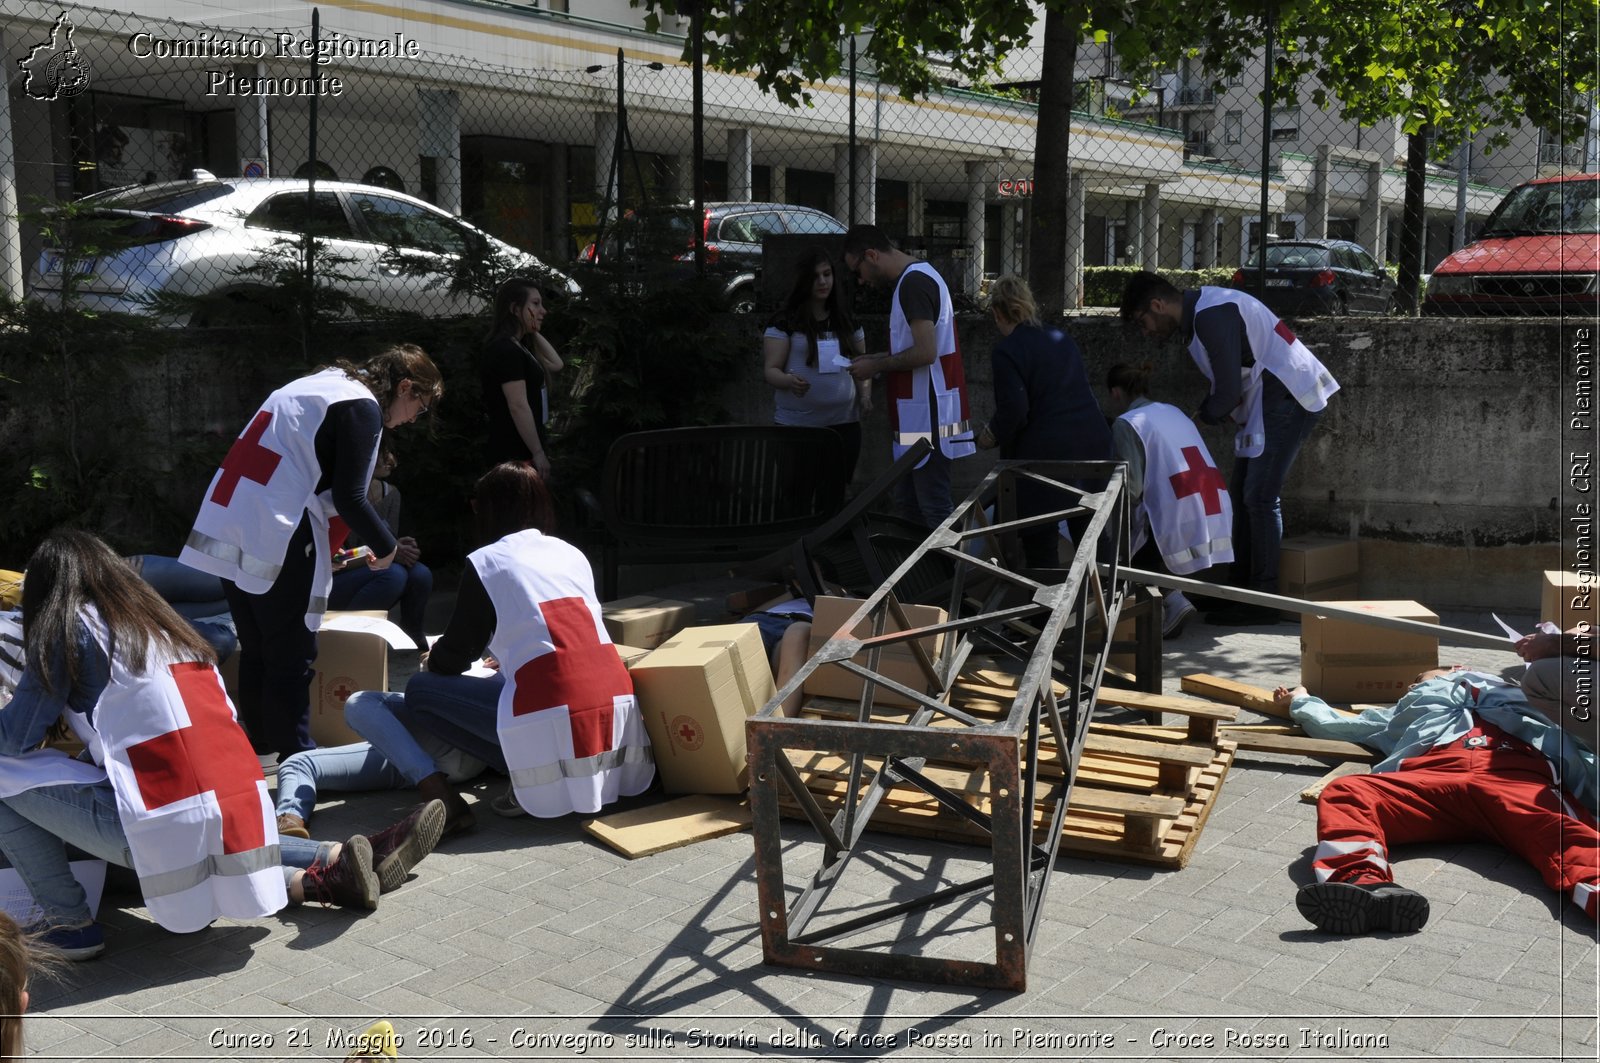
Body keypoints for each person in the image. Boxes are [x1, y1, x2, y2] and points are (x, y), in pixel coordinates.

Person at [0, 531, 444, 960]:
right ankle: (338, 857)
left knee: (8, 781)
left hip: (171, 823)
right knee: (191, 832)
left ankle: (69, 925)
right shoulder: (166, 625)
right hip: (241, 808)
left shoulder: (66, 631)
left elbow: (16, 739)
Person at [179, 345, 442, 762]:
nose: (412, 418)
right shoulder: (361, 405)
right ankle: (299, 756)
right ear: (405, 386)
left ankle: (261, 745)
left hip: (231, 512)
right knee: (291, 648)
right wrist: (387, 547)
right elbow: (351, 496)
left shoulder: (317, 385)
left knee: (257, 643)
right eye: (419, 407)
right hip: (277, 524)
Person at [403, 462, 656, 819]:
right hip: (614, 701)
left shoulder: (487, 562)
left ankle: (516, 773)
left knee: (419, 690)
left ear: (488, 509)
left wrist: (432, 661)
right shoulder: (570, 552)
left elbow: (457, 655)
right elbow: (559, 633)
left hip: (553, 704)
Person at [1278, 667, 1599, 935]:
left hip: (1516, 776)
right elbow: (1338, 725)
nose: (1416, 682)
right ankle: (1363, 882)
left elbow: (1583, 743)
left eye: (1422, 676)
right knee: (1349, 791)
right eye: (1416, 682)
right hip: (1431, 777)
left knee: (1563, 831)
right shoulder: (1405, 709)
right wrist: (1301, 700)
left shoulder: (1527, 699)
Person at [1119, 271, 1338, 622]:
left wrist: (1195, 422)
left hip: (1289, 396)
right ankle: (1239, 592)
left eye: (1142, 321)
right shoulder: (1204, 311)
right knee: (1242, 494)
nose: (1145, 331)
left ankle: (1262, 601)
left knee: (1260, 498)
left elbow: (1227, 393)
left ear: (1158, 305)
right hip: (1270, 400)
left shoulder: (1210, 315)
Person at [974, 274, 1114, 569]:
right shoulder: (1060, 337)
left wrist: (990, 434)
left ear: (997, 313)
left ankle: (1043, 611)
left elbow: (1014, 409)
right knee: (1090, 532)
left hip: (1046, 455)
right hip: (1094, 443)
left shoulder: (1007, 350)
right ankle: (1105, 602)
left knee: (1040, 537)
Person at [843, 225, 976, 529]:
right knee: (913, 505)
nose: (860, 281)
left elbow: (926, 352)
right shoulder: (919, 277)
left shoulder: (912, 284)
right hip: (925, 412)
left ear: (872, 255)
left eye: (858, 270)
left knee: (931, 507)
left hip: (926, 415)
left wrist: (875, 366)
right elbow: (923, 349)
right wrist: (875, 358)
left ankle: (951, 573)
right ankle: (931, 573)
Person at [1105, 362, 1235, 638]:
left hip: (1176, 505)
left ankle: (1169, 601)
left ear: (1115, 393)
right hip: (1210, 500)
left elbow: (1132, 488)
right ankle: (1171, 598)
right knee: (1144, 519)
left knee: (1130, 528)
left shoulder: (1127, 423)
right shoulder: (1172, 410)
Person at [275, 692, 486, 844]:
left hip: (454, 734)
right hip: (419, 755)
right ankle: (289, 824)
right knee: (297, 763)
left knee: (360, 702)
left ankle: (439, 793)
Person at [763, 248, 871, 481]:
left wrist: (864, 395)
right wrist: (788, 381)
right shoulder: (785, 321)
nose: (822, 282)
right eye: (814, 276)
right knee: (795, 498)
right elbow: (771, 371)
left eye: (827, 274)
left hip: (844, 425)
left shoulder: (846, 319)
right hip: (797, 428)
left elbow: (863, 364)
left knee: (834, 497)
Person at [328, 449, 433, 652]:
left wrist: (401, 548)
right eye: (380, 452)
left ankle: (412, 635)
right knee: (393, 575)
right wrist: (391, 552)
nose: (389, 460)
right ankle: (351, 639)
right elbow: (336, 557)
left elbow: (387, 537)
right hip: (337, 574)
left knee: (421, 574)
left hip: (375, 561)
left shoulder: (391, 493)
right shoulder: (340, 494)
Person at [481, 277, 564, 477]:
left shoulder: (519, 346)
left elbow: (557, 364)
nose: (543, 310)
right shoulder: (506, 350)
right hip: (514, 455)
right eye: (535, 304)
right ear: (515, 309)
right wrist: (538, 452)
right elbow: (517, 405)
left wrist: (533, 330)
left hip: (522, 452)